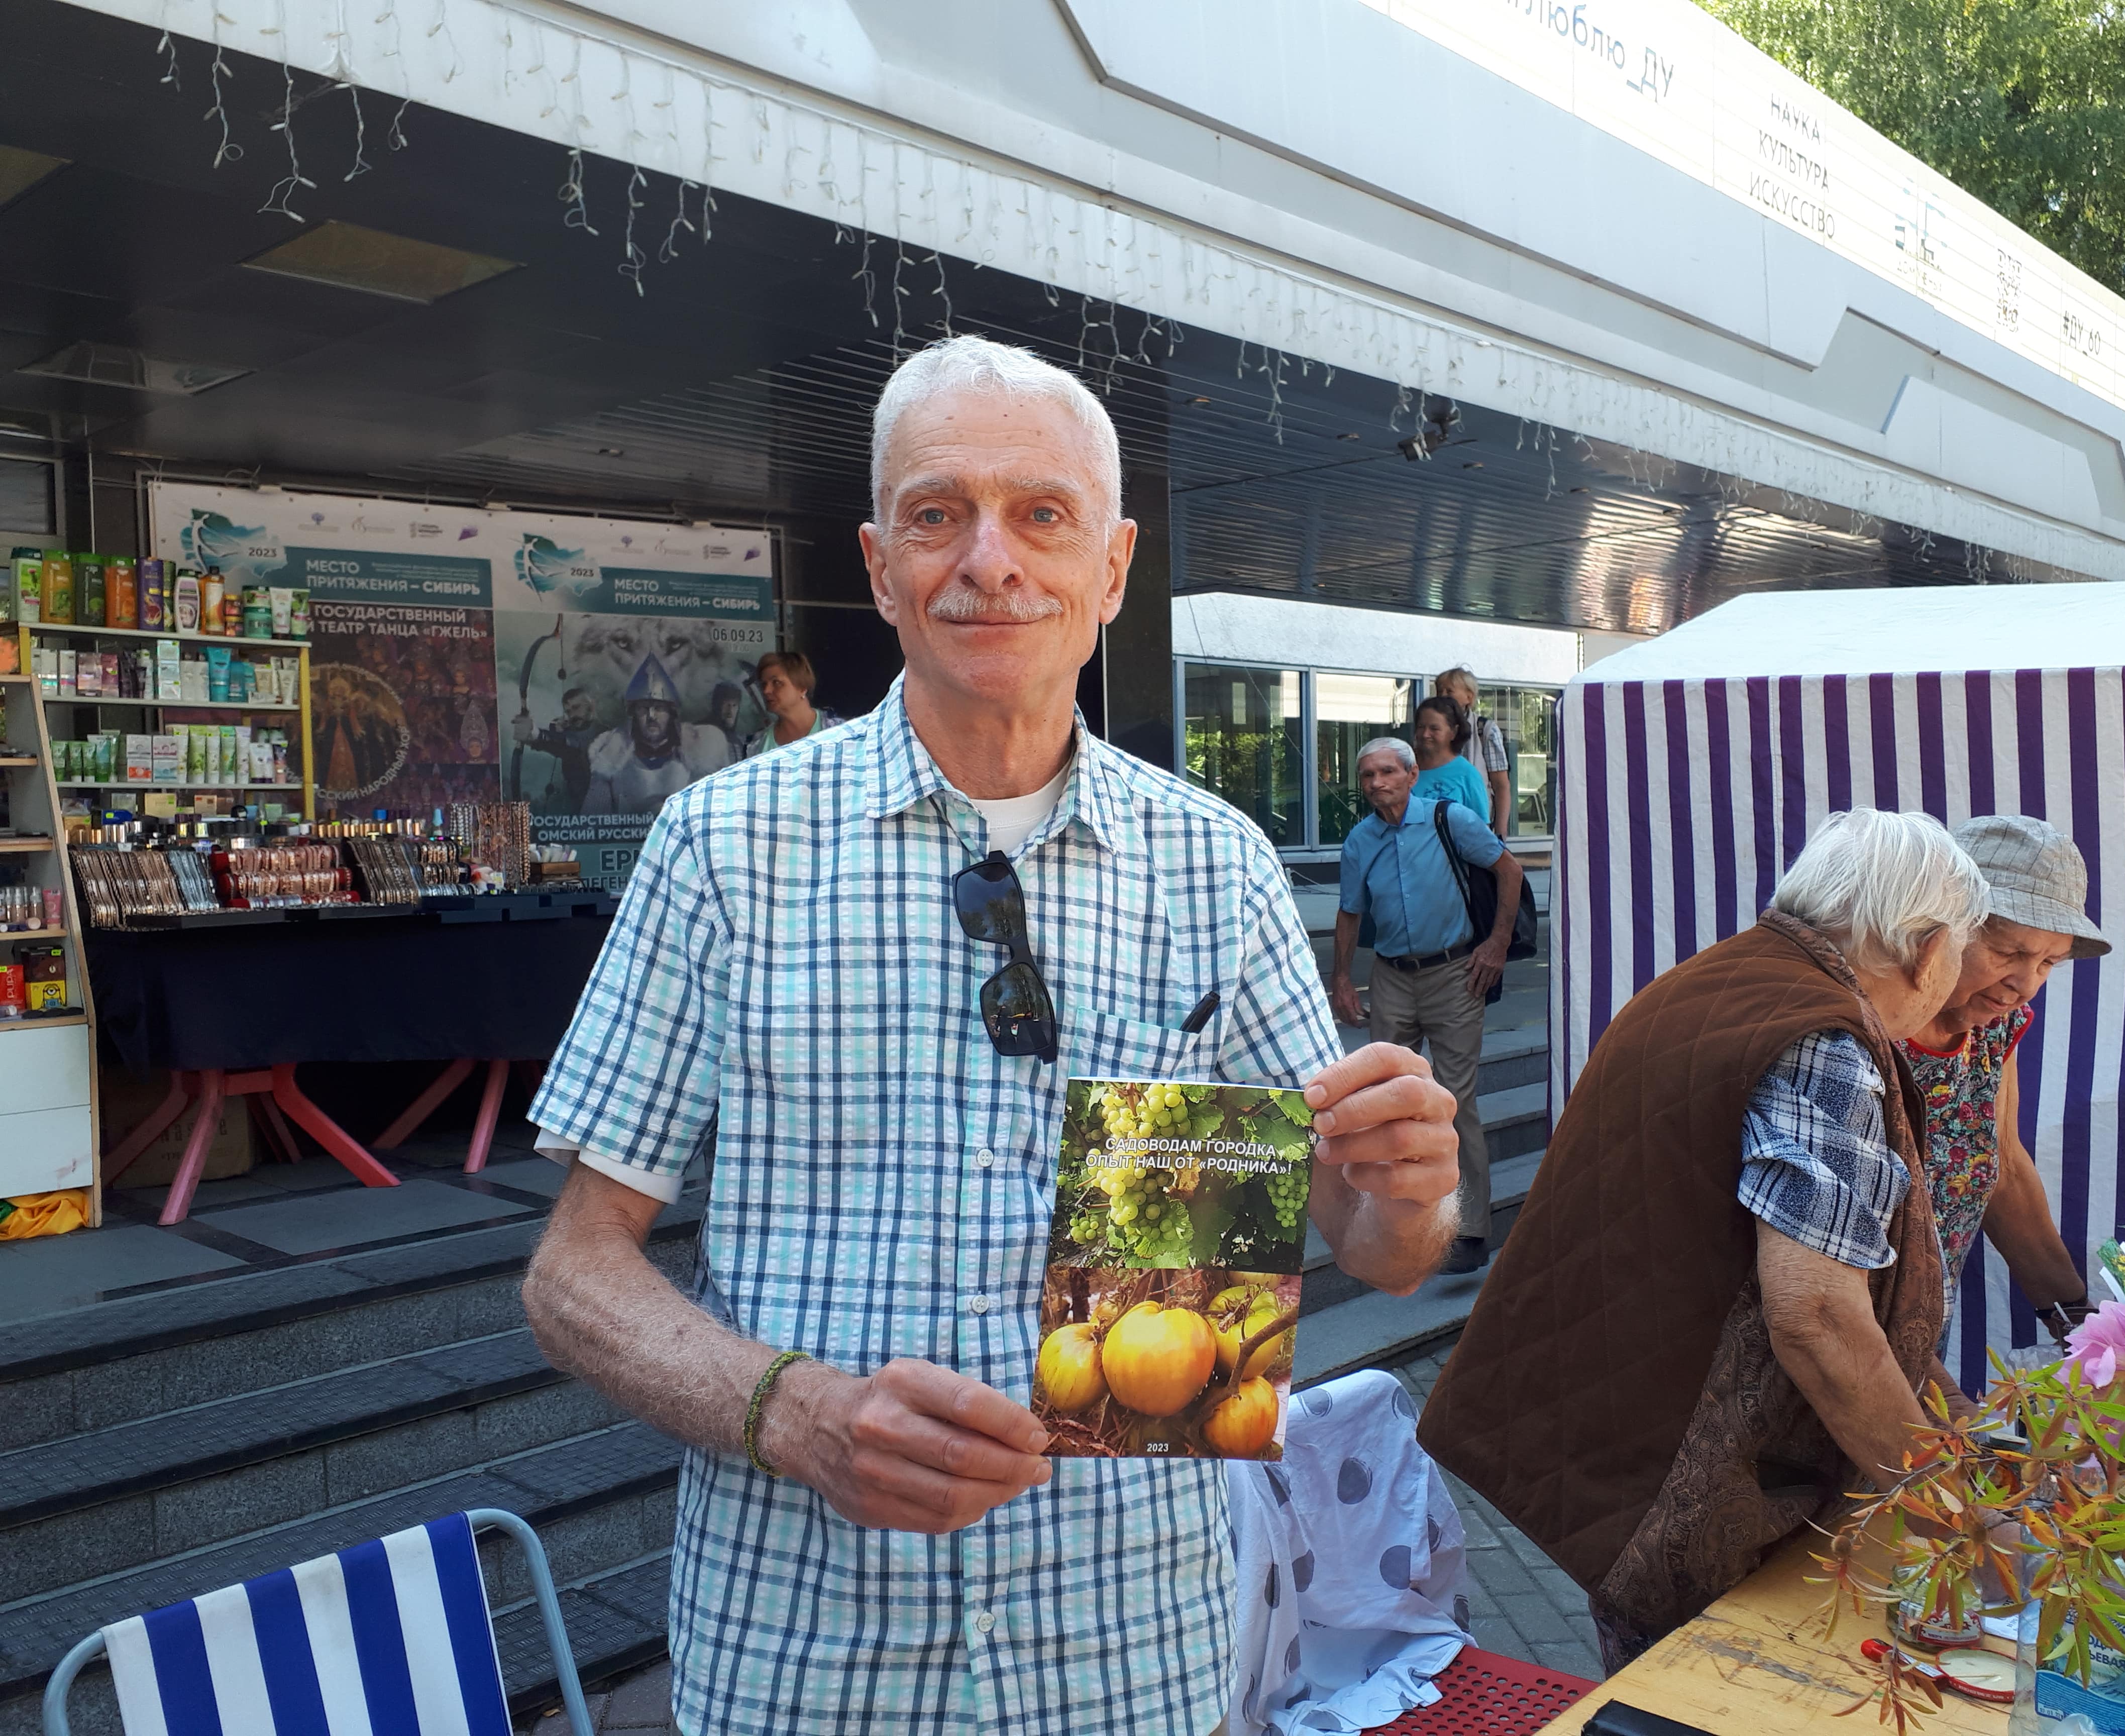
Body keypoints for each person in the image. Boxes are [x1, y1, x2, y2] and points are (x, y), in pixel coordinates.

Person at [521, 334, 1464, 1736]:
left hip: (1133, 1659)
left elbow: (1383, 1255)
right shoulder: (725, 845)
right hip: (804, 1658)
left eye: (1041, 514)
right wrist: (797, 1416)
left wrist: (1410, 1190)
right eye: (937, 513)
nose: (990, 559)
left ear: (1114, 567)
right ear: (880, 564)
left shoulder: (1212, 863)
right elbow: (573, 1273)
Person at [1421, 810, 1987, 1672]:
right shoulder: (1822, 1039)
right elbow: (1818, 1321)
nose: (1957, 979)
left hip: (1605, 1431)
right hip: (1664, 1472)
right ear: (1921, 947)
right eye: (1964, 952)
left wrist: (1950, 1423)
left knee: (1643, 1675)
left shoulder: (1718, 976)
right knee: (1680, 1692)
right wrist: (1952, 1513)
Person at [1332, 736, 1526, 1277]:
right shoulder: (1360, 841)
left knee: (1455, 1099)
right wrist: (1343, 980)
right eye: (1368, 774)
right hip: (1392, 977)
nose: (1376, 783)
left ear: (1412, 775)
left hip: (1454, 973)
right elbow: (1350, 914)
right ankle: (1399, 1219)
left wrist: (1498, 944)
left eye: (1388, 772)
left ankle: (1469, 1230)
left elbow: (1509, 871)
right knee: (1387, 1100)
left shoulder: (1451, 819)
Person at [1904, 814, 2103, 1341]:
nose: (2025, 984)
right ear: (1939, 928)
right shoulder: (1865, 1024)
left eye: (2048, 964)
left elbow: (2002, 1171)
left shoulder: (1993, 1023)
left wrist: (2083, 1332)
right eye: (2009, 952)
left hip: (1921, 1335)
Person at [582, 653, 732, 817]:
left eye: (659, 708)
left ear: (671, 713)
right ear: (634, 714)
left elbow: (718, 818)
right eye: (644, 709)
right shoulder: (611, 760)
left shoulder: (699, 759)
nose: (652, 716)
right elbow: (593, 826)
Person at [1435, 667, 1511, 838]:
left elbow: (1501, 785)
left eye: (1450, 691)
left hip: (1475, 823)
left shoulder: (1485, 730)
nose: (1443, 696)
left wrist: (1500, 832)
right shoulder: (1430, 730)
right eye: (1440, 691)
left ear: (1469, 697)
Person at [748, 648, 843, 753]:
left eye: (776, 683)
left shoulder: (839, 732)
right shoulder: (757, 744)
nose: (766, 691)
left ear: (802, 688)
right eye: (764, 684)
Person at [1411, 694, 1491, 818]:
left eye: (1434, 729)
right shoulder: (1405, 767)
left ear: (1454, 732)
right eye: (1421, 727)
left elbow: (1480, 830)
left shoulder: (1467, 775)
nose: (1426, 734)